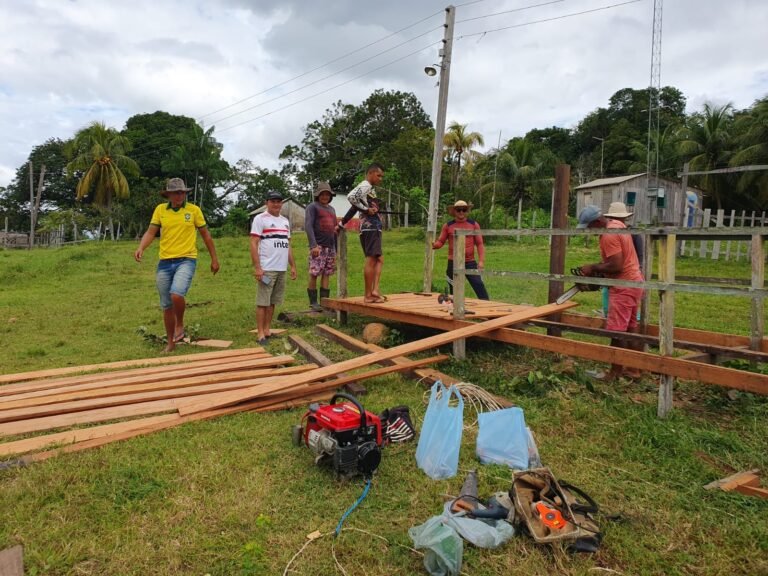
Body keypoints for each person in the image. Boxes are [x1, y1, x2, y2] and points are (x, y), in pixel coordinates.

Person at [134, 177, 220, 353]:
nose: (179, 195)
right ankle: (171, 342)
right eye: (176, 193)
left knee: (176, 294)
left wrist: (214, 259)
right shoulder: (160, 210)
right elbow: (151, 232)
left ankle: (180, 323)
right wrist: (141, 247)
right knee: (166, 305)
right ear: (169, 195)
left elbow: (206, 236)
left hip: (186, 260)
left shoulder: (194, 210)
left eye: (182, 192)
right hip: (165, 262)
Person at [577, 204, 644, 380]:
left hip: (623, 285)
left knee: (616, 331)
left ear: (598, 221)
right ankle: (635, 369)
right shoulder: (618, 226)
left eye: (590, 227)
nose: (590, 231)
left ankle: (614, 373)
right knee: (631, 328)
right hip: (634, 281)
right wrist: (600, 269)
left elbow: (616, 265)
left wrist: (592, 267)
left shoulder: (608, 235)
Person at [250, 190, 297, 344]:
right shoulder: (260, 219)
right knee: (263, 301)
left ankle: (268, 330)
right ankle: (260, 334)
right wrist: (258, 268)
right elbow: (253, 243)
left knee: (273, 301)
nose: (276, 204)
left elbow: (287, 245)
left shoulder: (284, 221)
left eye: (278, 201)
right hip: (267, 268)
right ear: (267, 203)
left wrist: (293, 266)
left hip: (281, 268)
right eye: (273, 201)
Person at [338, 163, 386, 303]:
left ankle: (374, 291)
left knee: (379, 259)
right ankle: (369, 294)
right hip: (370, 228)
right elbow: (351, 197)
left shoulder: (368, 189)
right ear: (370, 173)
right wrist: (366, 210)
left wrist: (342, 223)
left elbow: (354, 207)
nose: (380, 179)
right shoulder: (365, 185)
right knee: (372, 259)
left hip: (372, 228)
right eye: (378, 175)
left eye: (381, 176)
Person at [432, 200, 489, 300]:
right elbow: (441, 241)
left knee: (478, 284)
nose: (461, 212)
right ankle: (455, 310)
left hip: (470, 262)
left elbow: (479, 243)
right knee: (454, 288)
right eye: (459, 210)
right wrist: (435, 245)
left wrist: (481, 261)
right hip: (453, 262)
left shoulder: (474, 225)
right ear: (454, 211)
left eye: (464, 209)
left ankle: (488, 307)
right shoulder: (448, 226)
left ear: (467, 211)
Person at [602, 201, 644, 318]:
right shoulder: (621, 232)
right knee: (608, 296)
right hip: (626, 272)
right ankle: (609, 316)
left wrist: (638, 268)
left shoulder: (632, 234)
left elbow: (639, 255)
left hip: (627, 272)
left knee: (626, 307)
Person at [305, 181, 338, 311]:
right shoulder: (312, 207)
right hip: (318, 246)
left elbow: (335, 230)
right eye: (322, 194)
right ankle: (313, 302)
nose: (325, 197)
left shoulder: (332, 209)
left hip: (330, 246)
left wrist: (335, 250)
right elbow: (308, 226)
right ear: (318, 195)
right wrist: (313, 245)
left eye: (327, 194)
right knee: (314, 273)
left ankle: (325, 303)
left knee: (327, 273)